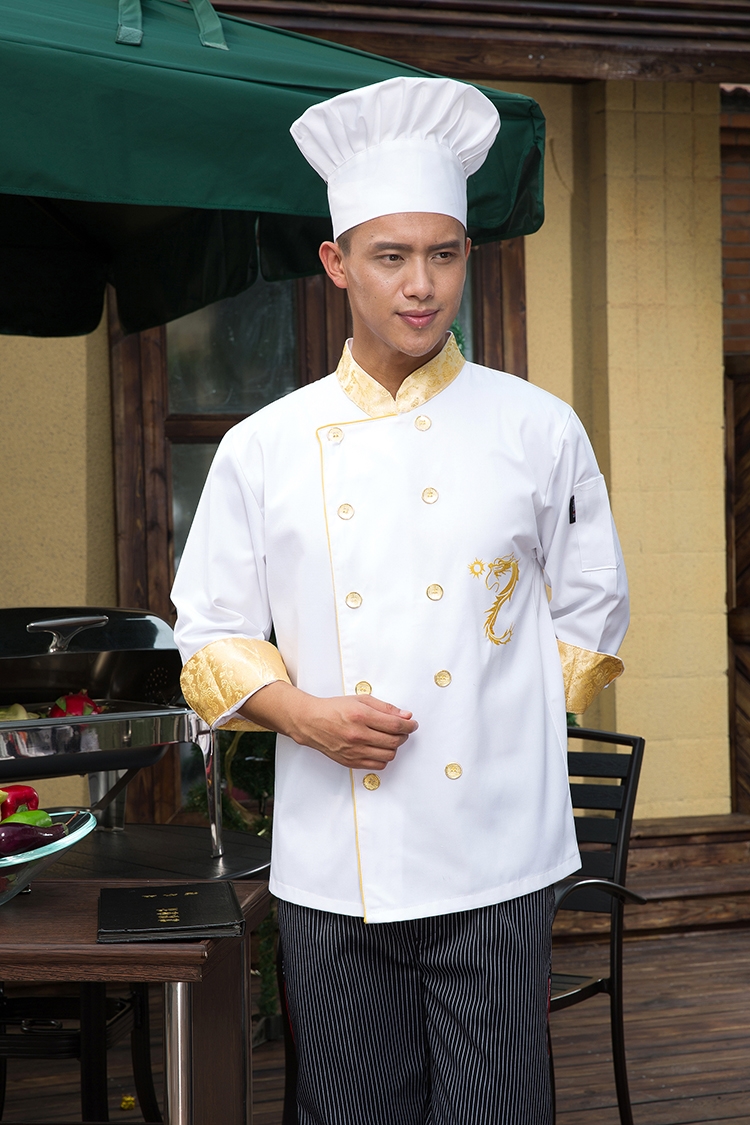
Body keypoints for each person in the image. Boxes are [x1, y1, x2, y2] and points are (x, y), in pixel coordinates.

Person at [172, 75, 629, 1125]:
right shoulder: (264, 447)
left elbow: (592, 605)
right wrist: (304, 716)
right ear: (337, 264)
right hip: (335, 858)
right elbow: (212, 634)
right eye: (390, 257)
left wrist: (502, 721)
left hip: (498, 852)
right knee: (351, 1110)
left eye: (444, 254)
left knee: (496, 1110)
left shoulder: (539, 429)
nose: (422, 286)